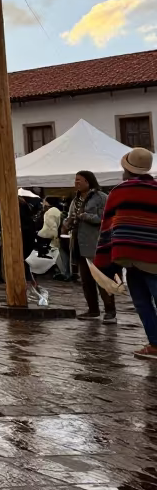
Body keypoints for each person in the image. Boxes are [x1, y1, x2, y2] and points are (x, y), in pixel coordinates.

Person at [94, 148, 157, 359]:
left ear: (126, 169)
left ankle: (155, 344)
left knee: (142, 304)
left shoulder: (119, 192)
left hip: (130, 259)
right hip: (153, 256)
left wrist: (104, 263)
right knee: (144, 302)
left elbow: (108, 228)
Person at [67, 171, 112, 322]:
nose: (76, 183)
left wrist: (85, 216)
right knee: (86, 280)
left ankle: (110, 312)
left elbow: (106, 219)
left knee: (102, 279)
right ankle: (93, 311)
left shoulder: (101, 197)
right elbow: (69, 216)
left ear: (88, 181)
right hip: (79, 244)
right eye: (75, 180)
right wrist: (67, 223)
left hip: (96, 245)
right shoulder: (76, 199)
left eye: (78, 180)